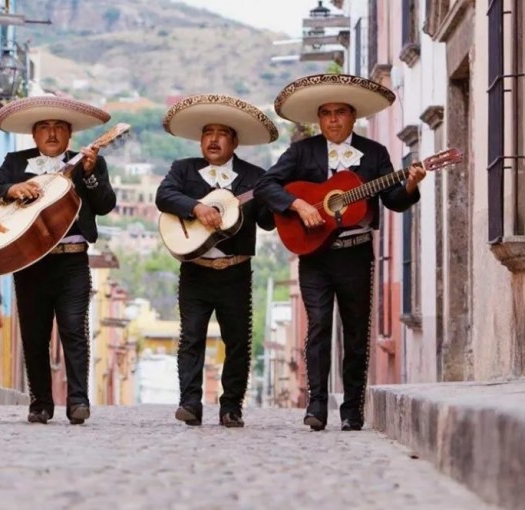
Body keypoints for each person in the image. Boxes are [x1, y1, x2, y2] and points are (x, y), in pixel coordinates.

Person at [254, 74, 426, 431]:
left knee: (356, 332)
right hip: (314, 254)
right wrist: (299, 205)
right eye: (326, 113)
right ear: (319, 119)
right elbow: (266, 185)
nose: (333, 119)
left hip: (355, 253)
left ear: (353, 116)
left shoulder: (374, 154)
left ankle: (352, 411)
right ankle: (316, 407)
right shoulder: (303, 152)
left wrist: (409, 183)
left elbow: (393, 200)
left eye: (341, 112)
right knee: (318, 326)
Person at [0, 96, 116, 424]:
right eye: (45, 127)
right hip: (29, 262)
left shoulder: (89, 162)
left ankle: (78, 401)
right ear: (34, 134)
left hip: (72, 259)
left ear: (70, 134)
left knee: (74, 329)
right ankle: (40, 403)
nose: (52, 133)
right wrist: (12, 189)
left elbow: (105, 204)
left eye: (59, 127)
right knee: (34, 332)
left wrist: (89, 175)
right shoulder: (16, 161)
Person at [155, 94, 278, 427]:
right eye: (208, 132)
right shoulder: (183, 169)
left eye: (222, 133)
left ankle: (231, 407)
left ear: (234, 141)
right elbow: (163, 195)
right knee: (191, 337)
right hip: (195, 270)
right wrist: (196, 208)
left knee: (237, 341)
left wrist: (279, 198)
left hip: (235, 271)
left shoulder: (256, 177)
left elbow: (267, 221)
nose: (213, 139)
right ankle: (190, 403)